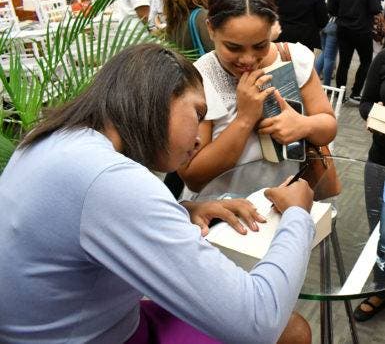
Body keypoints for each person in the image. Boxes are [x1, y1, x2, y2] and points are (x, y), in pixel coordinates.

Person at [0, 43, 315, 344]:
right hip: (101, 335)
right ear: (163, 98)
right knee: (292, 331)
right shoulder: (108, 180)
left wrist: (183, 210)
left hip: (71, 327)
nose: (196, 139)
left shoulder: (53, 140)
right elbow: (258, 322)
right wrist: (297, 214)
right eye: (197, 113)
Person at [178, 0, 336, 197]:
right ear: (211, 29)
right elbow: (193, 176)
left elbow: (328, 124)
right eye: (233, 47)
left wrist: (303, 125)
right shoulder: (199, 79)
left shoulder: (293, 58)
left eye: (260, 45)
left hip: (281, 204)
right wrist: (245, 119)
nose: (248, 60)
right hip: (222, 215)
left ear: (271, 28)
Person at [328, 0, 382, 103]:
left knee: (344, 61)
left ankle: (340, 92)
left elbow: (331, 9)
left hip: (343, 29)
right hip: (362, 30)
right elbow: (376, 8)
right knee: (365, 61)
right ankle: (356, 92)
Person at [355, 50, 385, 321]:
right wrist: (379, 115)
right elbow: (365, 103)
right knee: (380, 230)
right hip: (381, 159)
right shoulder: (383, 58)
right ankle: (382, 287)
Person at [315, 0, 346, 85]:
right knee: (330, 57)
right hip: (334, 22)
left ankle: (313, 81)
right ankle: (327, 86)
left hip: (321, 20)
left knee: (324, 53)